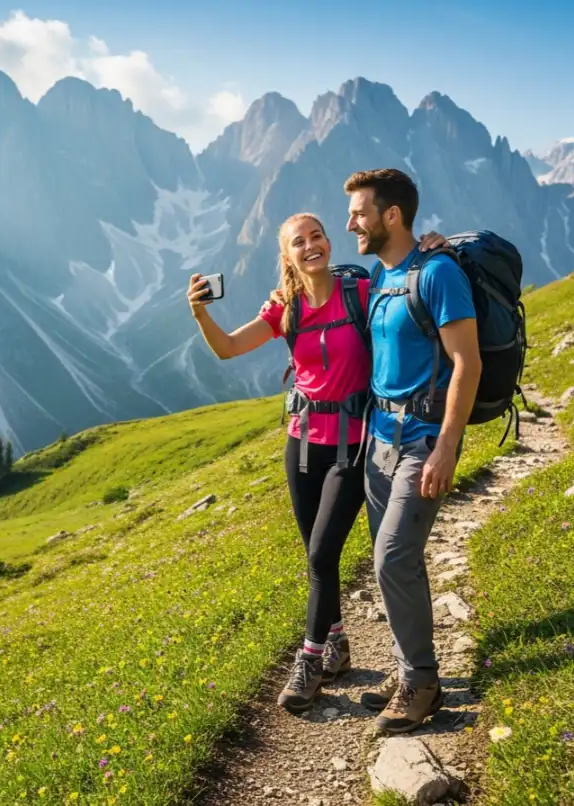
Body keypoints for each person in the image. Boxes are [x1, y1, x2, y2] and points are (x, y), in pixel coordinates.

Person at [186, 213, 445, 714]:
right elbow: (228, 349)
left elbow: (405, 285)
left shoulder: (361, 289)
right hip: (302, 443)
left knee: (323, 555)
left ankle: (308, 662)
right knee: (313, 553)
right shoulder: (285, 307)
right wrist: (200, 315)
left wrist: (432, 248)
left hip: (353, 445)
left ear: (328, 241)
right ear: (287, 256)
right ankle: (337, 644)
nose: (311, 247)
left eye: (317, 236)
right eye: (298, 243)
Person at [341, 168, 481, 734]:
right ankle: (408, 673)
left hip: (422, 441)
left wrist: (448, 446)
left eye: (359, 212)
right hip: (379, 441)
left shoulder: (439, 273)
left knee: (393, 558)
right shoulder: (384, 273)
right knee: (393, 561)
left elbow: (467, 363)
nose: (350, 221)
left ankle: (423, 684)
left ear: (391, 215)